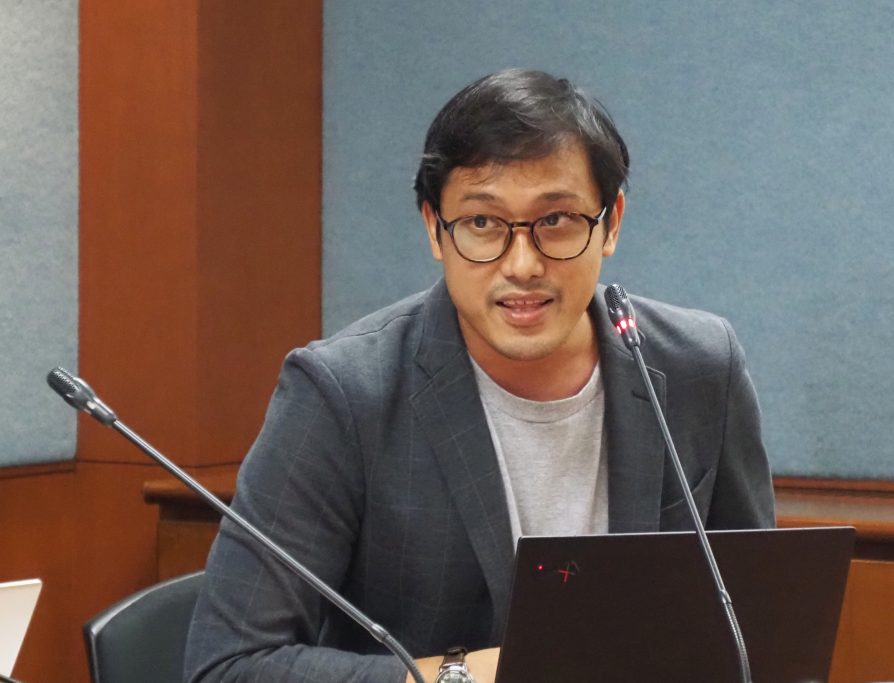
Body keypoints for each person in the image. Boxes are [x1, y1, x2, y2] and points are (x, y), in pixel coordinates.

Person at [184, 68, 774, 683]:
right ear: (434, 228)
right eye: (483, 224)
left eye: (557, 220)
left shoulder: (699, 369)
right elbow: (226, 665)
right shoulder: (342, 395)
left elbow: (758, 630)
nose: (522, 265)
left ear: (612, 222)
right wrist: (463, 678)